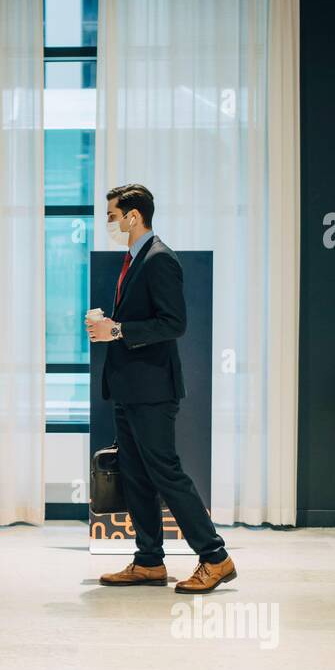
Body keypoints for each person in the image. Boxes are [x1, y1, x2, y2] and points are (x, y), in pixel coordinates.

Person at [89, 184, 236, 593]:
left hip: (153, 390)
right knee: (136, 476)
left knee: (167, 474)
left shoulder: (159, 260)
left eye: (113, 216)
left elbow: (175, 323)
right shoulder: (134, 260)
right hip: (129, 389)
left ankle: (215, 557)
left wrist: (116, 329)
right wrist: (109, 329)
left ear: (133, 216)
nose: (110, 224)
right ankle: (149, 560)